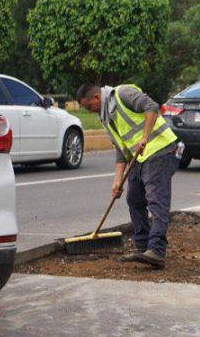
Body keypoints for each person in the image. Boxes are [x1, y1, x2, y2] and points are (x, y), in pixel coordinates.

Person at [77, 83, 180, 269]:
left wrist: (145, 137)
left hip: (159, 150)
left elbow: (152, 106)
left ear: (96, 98)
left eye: (89, 107)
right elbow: (120, 147)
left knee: (156, 200)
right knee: (134, 199)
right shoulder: (105, 116)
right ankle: (142, 247)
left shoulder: (123, 94)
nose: (90, 111)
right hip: (138, 157)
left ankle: (156, 251)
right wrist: (117, 180)